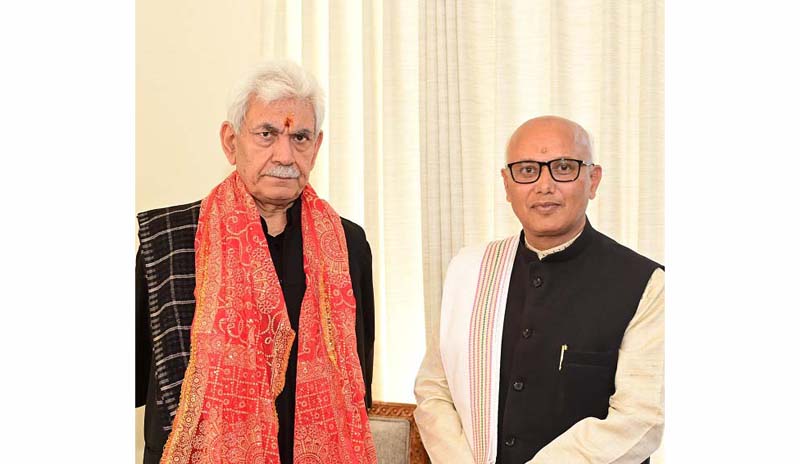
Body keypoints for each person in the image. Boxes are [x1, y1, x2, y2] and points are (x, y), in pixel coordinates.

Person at [135, 60, 377, 464]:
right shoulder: (171, 241)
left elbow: (357, 380)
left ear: (316, 147)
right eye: (267, 134)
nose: (285, 154)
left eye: (300, 137)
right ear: (231, 142)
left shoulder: (348, 244)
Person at [414, 116, 664, 464]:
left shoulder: (645, 283)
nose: (544, 186)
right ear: (507, 185)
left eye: (563, 168)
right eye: (528, 170)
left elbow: (640, 419)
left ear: (593, 180)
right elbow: (434, 389)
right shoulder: (470, 271)